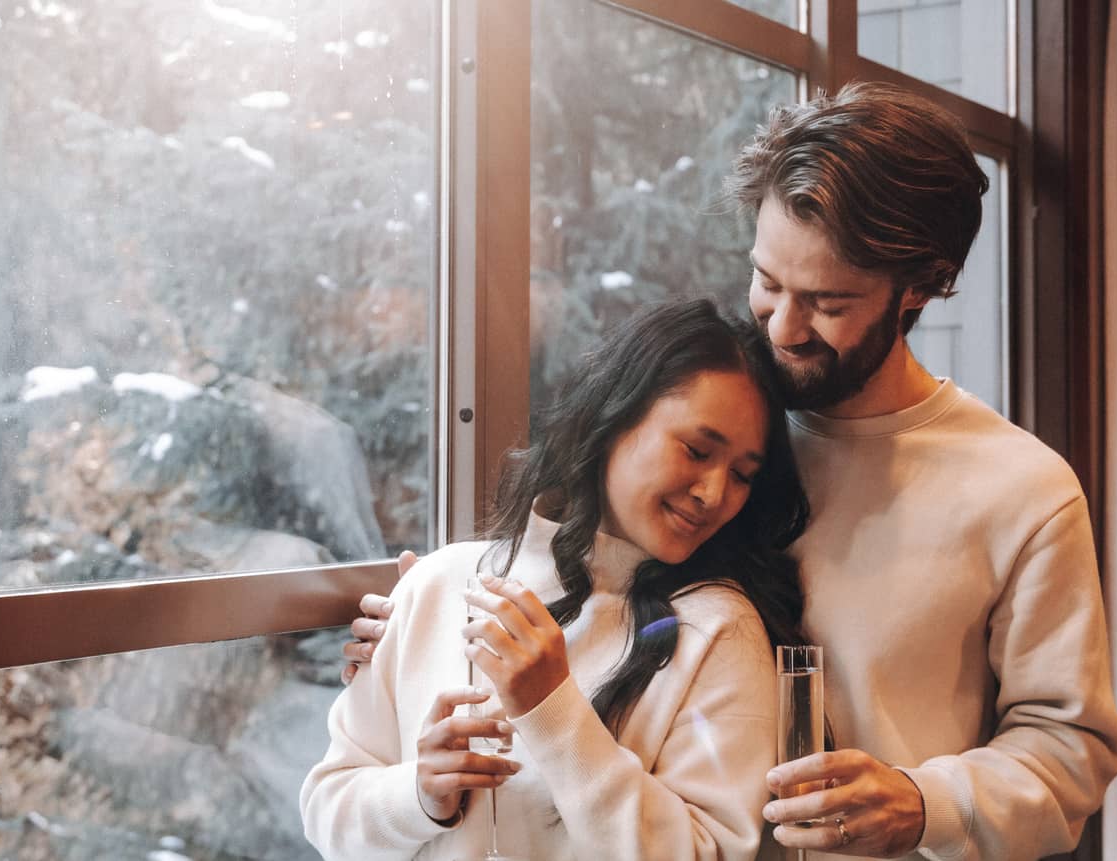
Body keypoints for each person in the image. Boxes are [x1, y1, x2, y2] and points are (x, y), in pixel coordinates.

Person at [343, 82, 1117, 861]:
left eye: (828, 301)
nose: (784, 327)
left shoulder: (1022, 489)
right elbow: (600, 587)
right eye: (768, 281)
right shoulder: (714, 414)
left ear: (924, 284)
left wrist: (925, 804)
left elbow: (1071, 753)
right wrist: (429, 624)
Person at [301, 299, 811, 860]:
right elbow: (328, 808)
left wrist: (553, 710)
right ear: (615, 417)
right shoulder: (441, 581)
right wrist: (419, 795)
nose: (714, 493)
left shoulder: (719, 630)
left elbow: (706, 853)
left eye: (741, 475)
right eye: (696, 450)